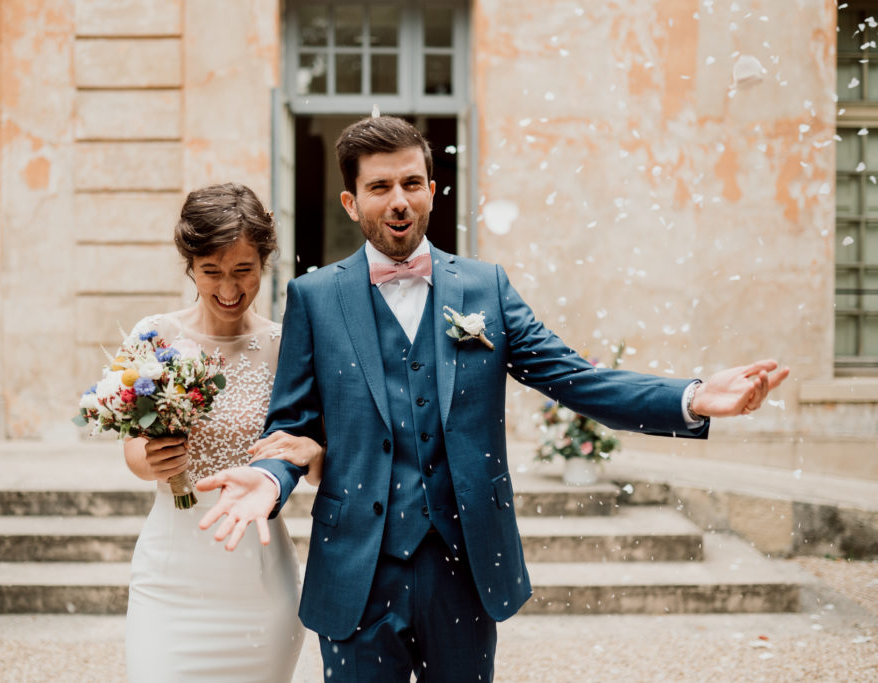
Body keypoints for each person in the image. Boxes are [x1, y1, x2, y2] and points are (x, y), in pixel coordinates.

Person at [195, 116, 791, 682]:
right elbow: (293, 426)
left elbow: (575, 378)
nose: (399, 200)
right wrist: (270, 479)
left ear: (432, 192)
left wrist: (691, 397)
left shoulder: (486, 288)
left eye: (411, 183)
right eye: (379, 187)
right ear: (351, 203)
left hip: (464, 566)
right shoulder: (314, 297)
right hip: (356, 569)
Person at [122, 183, 323, 682]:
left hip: (260, 581)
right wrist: (153, 461)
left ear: (265, 263)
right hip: (169, 578)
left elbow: (318, 466)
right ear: (190, 265)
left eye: (243, 270)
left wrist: (312, 451)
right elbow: (132, 451)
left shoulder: (286, 345)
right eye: (212, 271)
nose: (229, 289)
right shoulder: (154, 335)